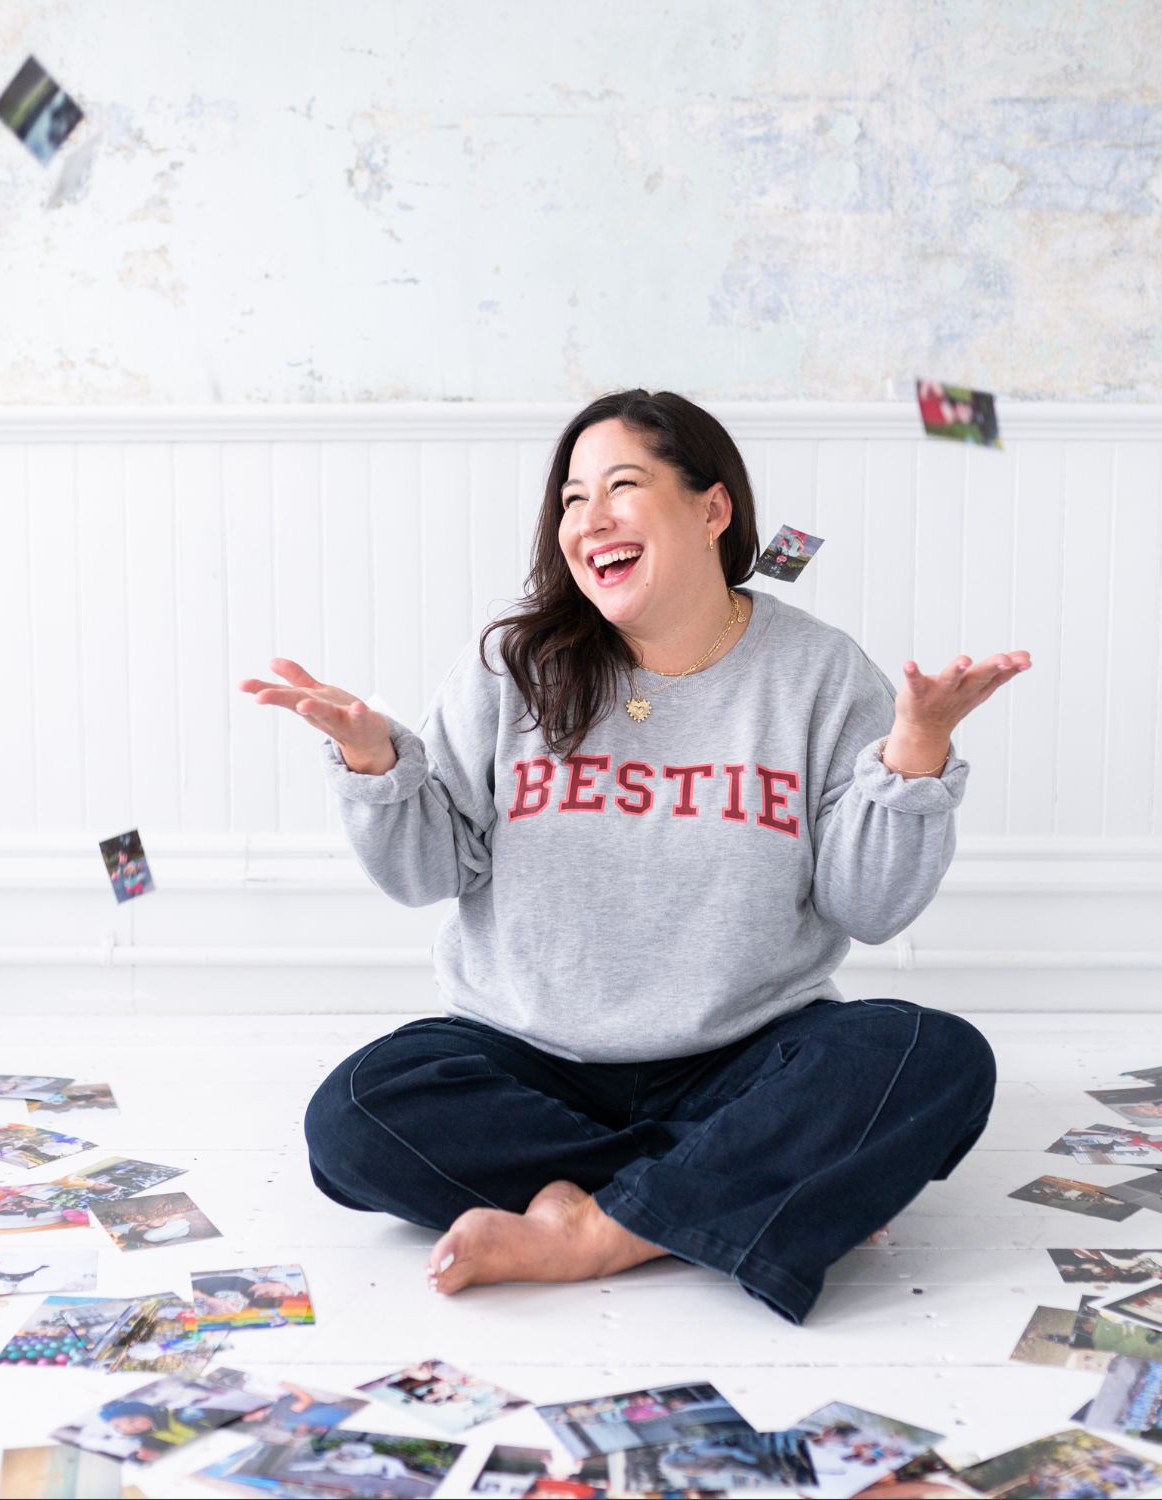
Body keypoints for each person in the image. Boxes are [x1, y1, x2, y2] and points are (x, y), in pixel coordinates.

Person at [243, 389, 1028, 1326]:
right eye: (573, 499)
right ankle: (744, 1186)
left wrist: (915, 755)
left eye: (622, 485)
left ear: (711, 507)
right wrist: (374, 762)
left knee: (929, 1056)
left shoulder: (818, 672)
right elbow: (425, 877)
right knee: (356, 1115)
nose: (590, 519)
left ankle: (593, 1233)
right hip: (526, 1056)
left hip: (745, 1055)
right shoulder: (513, 665)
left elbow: (869, 908)